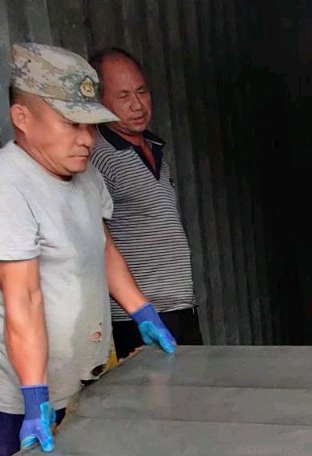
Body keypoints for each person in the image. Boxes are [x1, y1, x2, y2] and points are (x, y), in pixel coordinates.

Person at [0, 43, 178, 456]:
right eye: (71, 124)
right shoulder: (0, 190)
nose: (87, 139)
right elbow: (23, 298)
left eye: (91, 126)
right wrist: (35, 398)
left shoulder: (85, 175)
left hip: (83, 381)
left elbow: (103, 245)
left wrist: (142, 311)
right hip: (23, 401)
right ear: (22, 118)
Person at [89, 47, 205, 356]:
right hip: (136, 319)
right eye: (123, 96)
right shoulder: (96, 156)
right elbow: (96, 240)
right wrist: (140, 311)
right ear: (100, 102)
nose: (137, 105)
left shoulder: (155, 148)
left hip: (180, 308)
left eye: (142, 92)